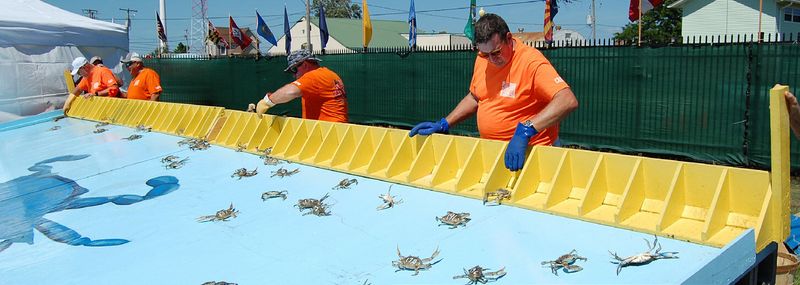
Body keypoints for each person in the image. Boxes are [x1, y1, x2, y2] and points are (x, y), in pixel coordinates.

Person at [408, 13, 578, 171]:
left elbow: (567, 100)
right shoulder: (484, 59)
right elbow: (476, 96)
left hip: (532, 152)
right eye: (485, 53)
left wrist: (526, 130)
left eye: (496, 52)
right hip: (493, 150)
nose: (491, 59)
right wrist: (445, 123)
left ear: (509, 39)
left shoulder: (531, 62)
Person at [250, 49, 348, 123]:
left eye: (294, 70)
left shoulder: (314, 76)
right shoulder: (331, 75)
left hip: (325, 133)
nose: (294, 75)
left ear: (304, 64)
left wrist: (267, 101)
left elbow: (290, 92)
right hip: (336, 130)